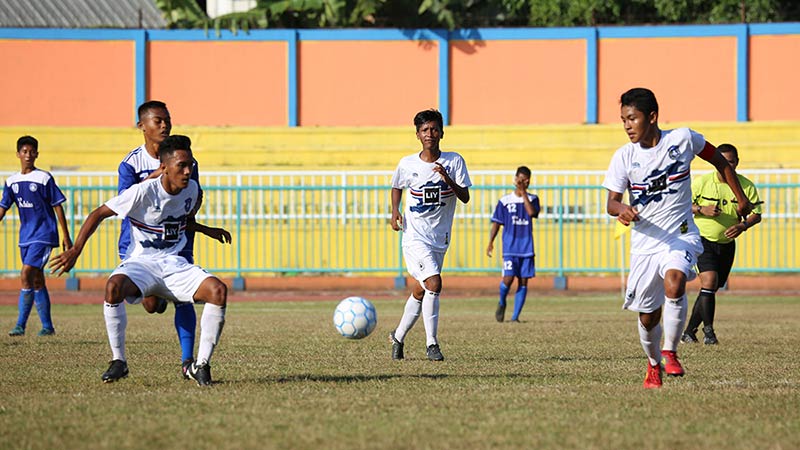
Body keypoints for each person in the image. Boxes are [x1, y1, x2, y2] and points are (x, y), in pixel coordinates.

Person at [602, 88, 753, 389]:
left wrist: (741, 199)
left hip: (681, 235)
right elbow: (611, 203)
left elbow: (720, 162)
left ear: (652, 116)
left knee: (675, 281)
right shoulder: (624, 157)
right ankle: (654, 362)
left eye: (632, 118)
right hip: (645, 244)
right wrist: (624, 210)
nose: (627, 125)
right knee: (647, 317)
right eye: (623, 120)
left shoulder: (683, 139)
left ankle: (670, 351)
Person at [50, 135, 228, 386]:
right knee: (113, 288)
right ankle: (118, 361)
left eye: (190, 165)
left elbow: (181, 221)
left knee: (218, 290)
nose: (188, 171)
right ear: (164, 167)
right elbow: (99, 213)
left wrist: (207, 230)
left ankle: (201, 366)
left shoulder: (192, 190)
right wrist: (76, 249)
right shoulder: (142, 191)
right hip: (141, 263)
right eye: (182, 166)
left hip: (174, 263)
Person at [119, 100, 229, 379]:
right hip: (139, 243)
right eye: (158, 121)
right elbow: (124, 202)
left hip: (178, 237)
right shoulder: (131, 164)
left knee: (186, 300)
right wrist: (156, 179)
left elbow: (194, 195)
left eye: (167, 119)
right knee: (152, 304)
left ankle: (188, 362)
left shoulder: (187, 161)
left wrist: (190, 217)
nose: (165, 125)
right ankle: (156, 295)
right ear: (142, 126)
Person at [388, 109, 471, 362]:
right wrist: (394, 211)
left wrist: (447, 178)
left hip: (440, 238)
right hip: (414, 237)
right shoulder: (407, 163)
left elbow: (465, 197)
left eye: (434, 129)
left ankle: (398, 337)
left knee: (422, 289)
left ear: (442, 133)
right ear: (417, 135)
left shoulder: (454, 161)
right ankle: (431, 344)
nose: (430, 134)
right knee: (434, 282)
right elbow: (396, 185)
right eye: (425, 130)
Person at [682, 144, 762, 345]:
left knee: (711, 288)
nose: (726, 166)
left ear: (737, 162)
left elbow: (756, 214)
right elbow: (683, 206)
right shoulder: (702, 183)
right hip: (702, 240)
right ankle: (709, 333)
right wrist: (701, 209)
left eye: (731, 162)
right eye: (722, 162)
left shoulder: (746, 186)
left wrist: (742, 226)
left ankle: (689, 332)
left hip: (726, 244)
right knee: (708, 282)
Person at [1, 136, 72, 337]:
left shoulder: (44, 178)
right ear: (18, 154)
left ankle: (20, 326)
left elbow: (57, 206)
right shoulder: (11, 181)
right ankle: (48, 327)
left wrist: (66, 236)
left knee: (25, 274)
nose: (28, 155)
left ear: (37, 154)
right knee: (37, 280)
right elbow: (3, 207)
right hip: (26, 237)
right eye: (24, 151)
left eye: (32, 152)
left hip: (44, 235)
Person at [486, 166, 540, 322]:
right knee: (508, 279)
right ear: (515, 179)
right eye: (521, 179)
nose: (524, 182)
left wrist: (523, 194)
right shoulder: (504, 201)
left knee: (523, 281)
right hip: (510, 247)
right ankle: (502, 301)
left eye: (526, 179)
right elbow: (497, 223)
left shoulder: (533, 199)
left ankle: (515, 317)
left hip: (527, 248)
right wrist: (491, 241)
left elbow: (532, 213)